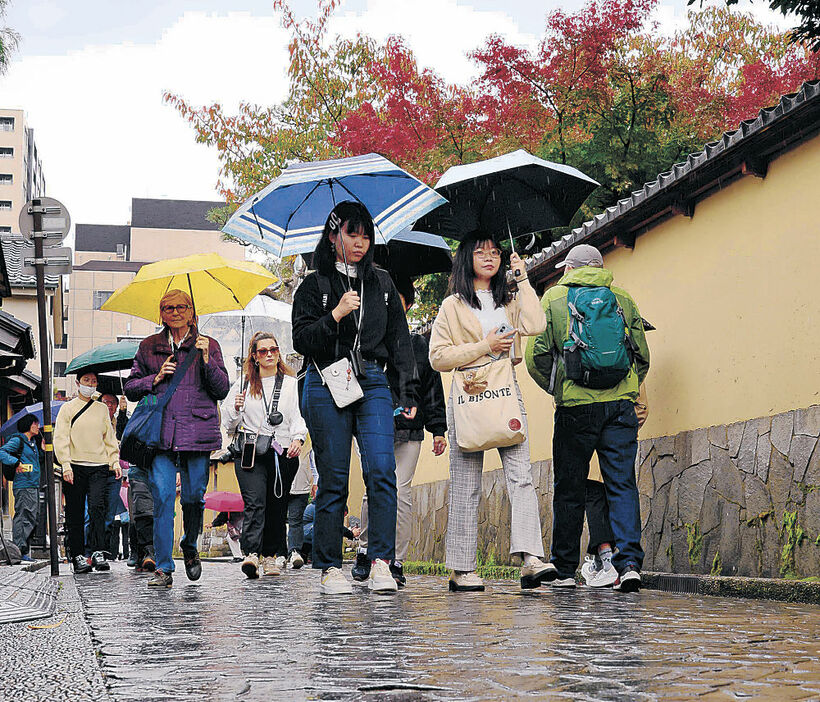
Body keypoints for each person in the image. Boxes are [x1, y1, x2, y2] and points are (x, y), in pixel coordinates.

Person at [292, 200, 419, 595]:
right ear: (333, 237)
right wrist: (335, 316)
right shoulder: (314, 285)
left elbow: (400, 342)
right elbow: (301, 339)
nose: (360, 243)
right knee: (334, 478)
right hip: (325, 379)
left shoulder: (382, 284)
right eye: (352, 234)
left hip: (373, 381)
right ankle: (330, 567)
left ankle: (381, 560)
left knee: (382, 470)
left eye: (366, 235)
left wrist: (408, 389)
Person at [429, 234, 551, 593]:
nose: (489, 257)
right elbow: (438, 356)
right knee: (466, 484)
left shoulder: (509, 298)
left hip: (506, 393)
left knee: (522, 476)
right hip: (469, 396)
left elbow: (536, 324)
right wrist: (485, 346)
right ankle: (462, 569)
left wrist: (524, 277)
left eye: (495, 252)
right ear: (467, 258)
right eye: (481, 252)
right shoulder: (452, 306)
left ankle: (531, 558)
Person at [527, 243, 650, 592]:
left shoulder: (552, 299)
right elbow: (641, 354)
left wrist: (560, 387)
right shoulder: (622, 297)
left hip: (574, 410)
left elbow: (535, 354)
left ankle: (564, 570)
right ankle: (628, 566)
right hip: (620, 409)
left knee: (569, 489)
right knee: (622, 485)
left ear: (569, 268)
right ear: (600, 266)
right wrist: (626, 387)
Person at [125, 289, 230, 589]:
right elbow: (130, 388)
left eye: (181, 306)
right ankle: (163, 567)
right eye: (168, 307)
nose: (174, 312)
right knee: (162, 497)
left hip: (197, 430)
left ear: (191, 311)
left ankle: (189, 543)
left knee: (195, 495)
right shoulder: (149, 347)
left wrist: (207, 358)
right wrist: (154, 378)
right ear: (161, 314)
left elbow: (221, 389)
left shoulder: (208, 344)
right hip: (160, 436)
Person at [354, 276, 447, 588]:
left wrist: (438, 428)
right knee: (372, 490)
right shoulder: (364, 344)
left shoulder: (419, 346)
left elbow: (432, 388)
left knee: (402, 493)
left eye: (396, 300)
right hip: (370, 425)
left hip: (409, 429)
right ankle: (366, 551)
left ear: (406, 305)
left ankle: (396, 559)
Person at [222, 331, 307, 579]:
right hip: (251, 452)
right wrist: (236, 409)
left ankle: (271, 557)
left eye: (273, 350)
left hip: (282, 452)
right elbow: (228, 425)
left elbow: (298, 416)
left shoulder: (291, 383)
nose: (269, 354)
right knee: (255, 503)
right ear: (254, 356)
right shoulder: (243, 384)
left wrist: (298, 438)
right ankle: (251, 553)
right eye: (263, 351)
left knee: (276, 506)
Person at [54, 371, 122, 574]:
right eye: (86, 381)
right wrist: (65, 464)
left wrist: (114, 461)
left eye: (93, 381)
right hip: (74, 466)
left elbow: (109, 438)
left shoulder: (102, 409)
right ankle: (77, 556)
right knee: (74, 513)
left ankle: (98, 552)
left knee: (97, 509)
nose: (90, 384)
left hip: (99, 466)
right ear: (77, 383)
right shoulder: (67, 408)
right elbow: (61, 438)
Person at [582, 384, 649, 587]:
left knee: (593, 492)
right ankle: (629, 565)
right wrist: (625, 428)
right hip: (619, 431)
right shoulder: (626, 353)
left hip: (586, 430)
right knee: (624, 492)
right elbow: (642, 406)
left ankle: (607, 560)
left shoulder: (576, 352)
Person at [0, 415, 42, 562]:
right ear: (29, 425)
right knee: (23, 516)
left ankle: (23, 551)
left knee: (31, 517)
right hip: (24, 485)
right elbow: (2, 452)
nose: (38, 426)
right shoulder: (18, 440)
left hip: (33, 484)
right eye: (36, 423)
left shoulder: (33, 443)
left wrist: (42, 450)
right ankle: (17, 551)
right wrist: (16, 462)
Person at [100, 393, 127, 557]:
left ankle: (104, 549)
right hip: (96, 469)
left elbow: (124, 434)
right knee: (95, 511)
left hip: (114, 471)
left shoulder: (119, 421)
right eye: (105, 402)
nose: (108, 405)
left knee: (110, 514)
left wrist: (123, 413)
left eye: (112, 403)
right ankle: (92, 548)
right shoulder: (94, 420)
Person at [285, 442, 318, 569]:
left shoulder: (308, 434)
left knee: (296, 520)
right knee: (278, 518)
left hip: (301, 485)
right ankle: (280, 553)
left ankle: (295, 551)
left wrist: (315, 481)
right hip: (280, 483)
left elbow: (313, 458)